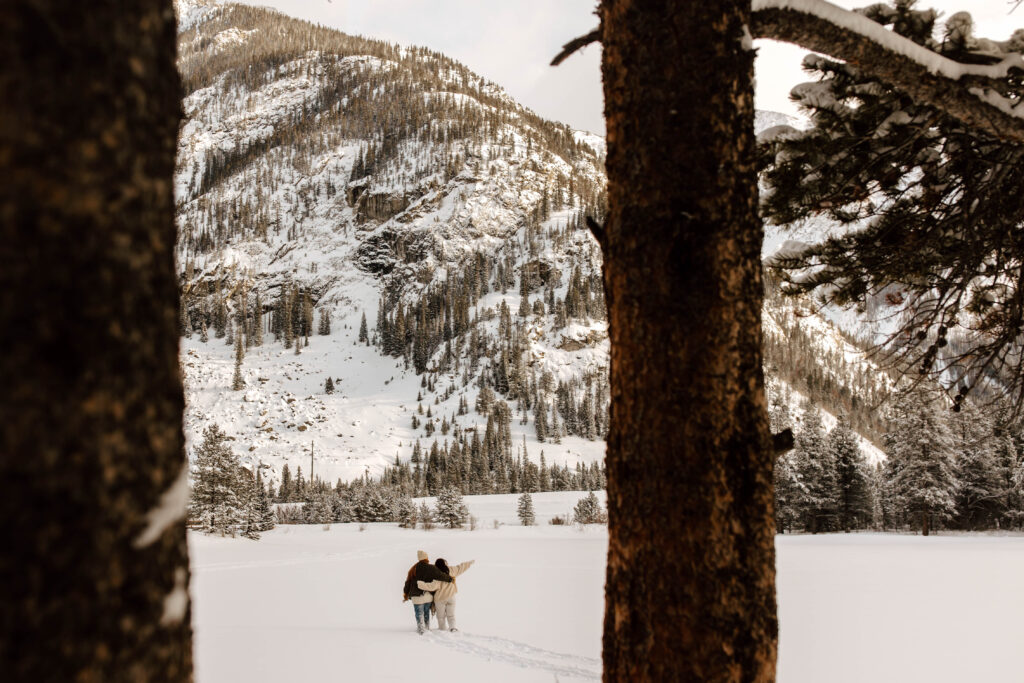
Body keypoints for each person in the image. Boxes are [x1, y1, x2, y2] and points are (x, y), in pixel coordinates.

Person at [417, 557, 474, 632]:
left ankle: (442, 629)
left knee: (441, 617)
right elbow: (461, 567)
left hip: (440, 599)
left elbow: (431, 586)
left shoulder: (436, 574)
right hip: (451, 597)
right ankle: (452, 627)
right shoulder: (451, 570)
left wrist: (419, 583)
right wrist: (471, 562)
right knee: (451, 615)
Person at [402, 550, 452, 634]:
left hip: (416, 596)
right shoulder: (431, 568)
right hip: (427, 595)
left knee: (419, 613)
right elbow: (440, 575)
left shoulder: (413, 569)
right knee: (426, 613)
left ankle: (421, 629)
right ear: (426, 558)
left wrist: (405, 593)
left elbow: (408, 582)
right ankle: (427, 627)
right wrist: (449, 579)